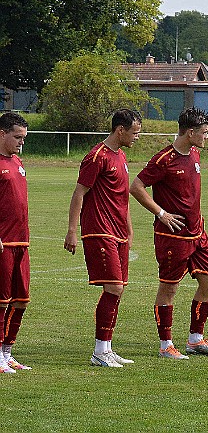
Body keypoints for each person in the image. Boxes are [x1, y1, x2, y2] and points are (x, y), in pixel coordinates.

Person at [130, 108, 208, 359]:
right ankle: (165, 345)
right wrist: (161, 213)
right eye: (204, 133)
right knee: (169, 289)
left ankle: (195, 340)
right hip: (173, 236)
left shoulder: (194, 152)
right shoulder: (164, 160)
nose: (207, 137)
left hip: (198, 233)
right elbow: (136, 186)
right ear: (190, 132)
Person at [64, 109, 142, 367]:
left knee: (118, 290)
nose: (136, 138)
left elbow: (122, 197)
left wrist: (129, 230)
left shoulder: (120, 156)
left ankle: (107, 348)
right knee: (114, 287)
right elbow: (79, 193)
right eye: (134, 133)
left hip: (119, 232)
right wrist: (72, 231)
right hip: (99, 230)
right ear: (120, 130)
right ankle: (99, 351)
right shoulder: (96, 157)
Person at [0, 112, 31, 373]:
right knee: (1, 300)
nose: (21, 142)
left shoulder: (18, 161)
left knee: (21, 299)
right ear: (2, 133)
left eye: (24, 138)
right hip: (3, 242)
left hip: (22, 241)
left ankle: (7, 352)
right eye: (17, 137)